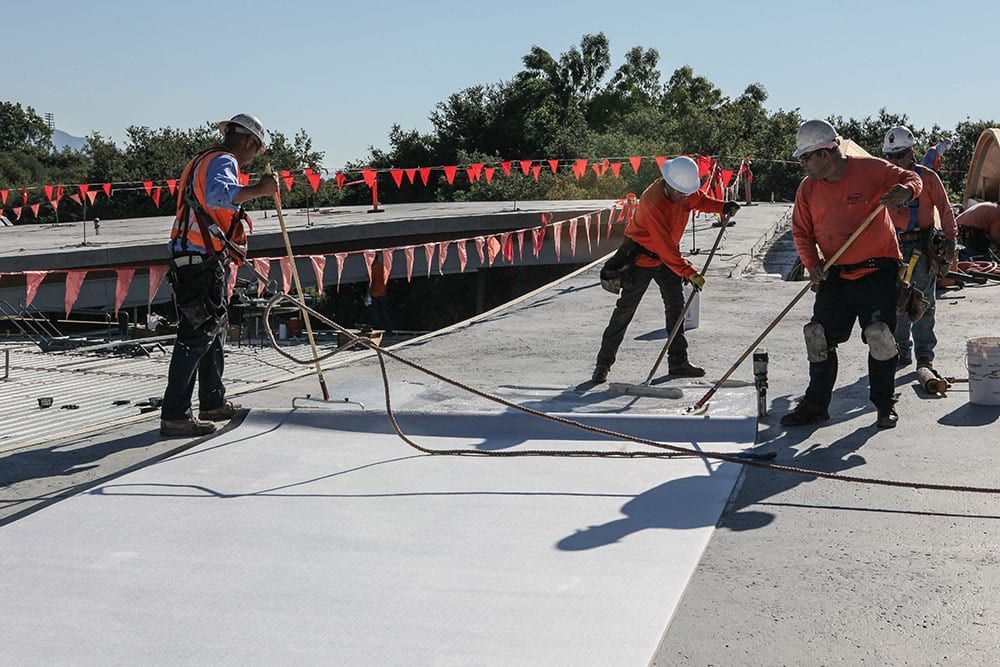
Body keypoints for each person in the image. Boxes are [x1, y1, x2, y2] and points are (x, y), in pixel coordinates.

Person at [780, 119, 922, 430]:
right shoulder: (807, 189)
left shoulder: (871, 169)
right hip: (835, 274)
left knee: (880, 337)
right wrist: (812, 263)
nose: (802, 163)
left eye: (805, 157)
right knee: (817, 336)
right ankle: (816, 405)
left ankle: (885, 405)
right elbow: (801, 232)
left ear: (825, 153)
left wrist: (904, 191)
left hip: (877, 272)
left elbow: (913, 178)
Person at [160, 113, 278, 437]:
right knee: (196, 335)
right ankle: (174, 414)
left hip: (201, 257)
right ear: (249, 141)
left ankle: (212, 399)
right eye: (256, 149)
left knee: (212, 330)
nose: (253, 157)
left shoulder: (206, 159)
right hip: (198, 258)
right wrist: (260, 189)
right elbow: (218, 195)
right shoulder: (223, 160)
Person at [592, 156, 740, 383]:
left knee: (676, 308)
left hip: (667, 259)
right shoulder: (652, 201)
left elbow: (700, 201)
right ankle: (603, 364)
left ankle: (678, 362)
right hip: (641, 258)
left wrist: (722, 207)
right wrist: (689, 271)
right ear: (668, 183)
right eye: (680, 193)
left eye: (686, 193)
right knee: (624, 311)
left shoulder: (685, 192)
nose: (684, 197)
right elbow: (664, 247)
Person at [882, 126, 957, 371]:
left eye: (900, 155)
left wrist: (951, 241)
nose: (895, 160)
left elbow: (945, 211)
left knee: (924, 303)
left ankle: (924, 355)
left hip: (922, 247)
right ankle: (902, 351)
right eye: (891, 156)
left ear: (911, 152)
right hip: (894, 247)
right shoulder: (885, 181)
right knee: (897, 302)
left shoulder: (928, 178)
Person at [367, 253, 393, 334]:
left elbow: (371, 283)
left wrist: (367, 294)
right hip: (383, 292)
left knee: (375, 314)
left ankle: (377, 331)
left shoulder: (372, 269)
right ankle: (389, 330)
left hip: (375, 294)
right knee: (385, 313)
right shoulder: (383, 267)